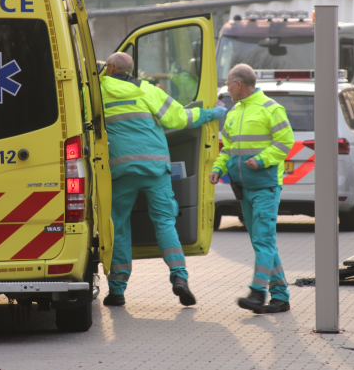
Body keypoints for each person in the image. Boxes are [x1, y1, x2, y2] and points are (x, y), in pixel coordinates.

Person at [101, 52, 227, 307]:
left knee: (119, 225)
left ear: (111, 67)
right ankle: (180, 278)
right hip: (155, 166)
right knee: (165, 223)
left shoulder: (97, 91)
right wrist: (212, 113)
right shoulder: (147, 90)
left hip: (120, 169)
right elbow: (181, 118)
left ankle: (117, 290)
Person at [209, 64, 294, 314]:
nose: (226, 88)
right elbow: (228, 148)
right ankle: (280, 297)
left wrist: (261, 160)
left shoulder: (271, 109)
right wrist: (218, 168)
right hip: (243, 188)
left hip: (265, 186)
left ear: (238, 84)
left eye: (228, 83)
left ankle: (258, 293)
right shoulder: (234, 112)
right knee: (262, 241)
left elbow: (285, 142)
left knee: (263, 240)